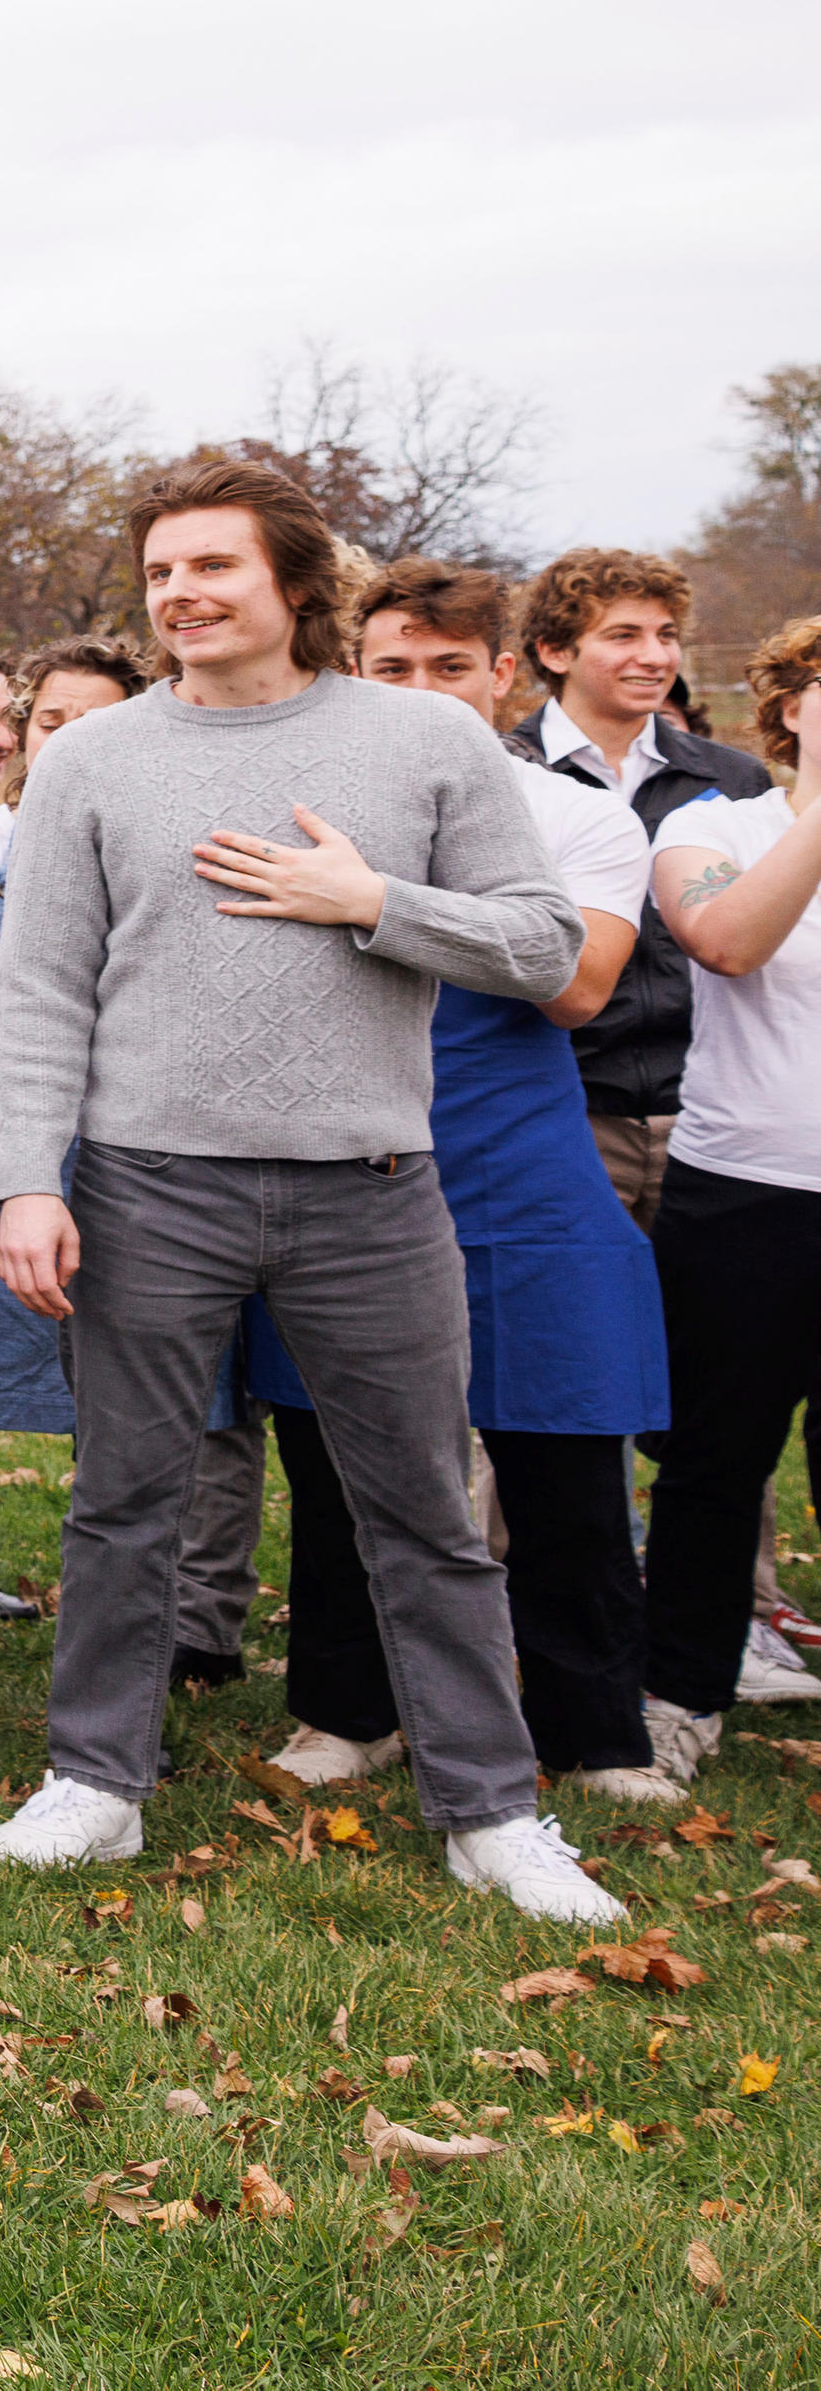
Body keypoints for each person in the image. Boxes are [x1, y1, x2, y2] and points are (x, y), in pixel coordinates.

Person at [0, 455, 622, 1923]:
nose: (182, 594)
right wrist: (30, 1180)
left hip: (373, 1192)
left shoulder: (426, 743)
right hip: (148, 1187)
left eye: (214, 566)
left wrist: (372, 903)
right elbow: (43, 991)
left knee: (423, 1514)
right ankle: (96, 1781)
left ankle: (491, 1810)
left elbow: (544, 946)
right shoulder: (91, 758)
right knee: (123, 1498)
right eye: (160, 572)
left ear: (293, 582)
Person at [240, 560, 681, 1806]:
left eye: (449, 666)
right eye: (393, 667)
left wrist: (370, 898)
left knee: (560, 1457)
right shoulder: (297, 805)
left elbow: (574, 982)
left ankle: (592, 1729)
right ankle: (345, 1708)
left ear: (501, 674)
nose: (422, 689)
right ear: (351, 670)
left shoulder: (576, 816)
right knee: (335, 1468)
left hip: (518, 1164)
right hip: (339, 1152)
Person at [0, 636, 270, 1681]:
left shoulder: (189, 844)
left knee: (171, 1428)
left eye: (97, 722)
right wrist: (62, 1030)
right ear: (21, 733)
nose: (68, 741)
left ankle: (177, 1644)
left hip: (159, 1165)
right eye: (50, 720)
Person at [636, 617, 821, 1776]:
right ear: (790, 705)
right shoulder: (711, 826)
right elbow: (727, 942)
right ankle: (679, 1696)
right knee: (714, 1457)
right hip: (746, 1188)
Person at [507, 547, 770, 1224]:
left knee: (714, 1325)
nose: (654, 656)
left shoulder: (735, 780)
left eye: (667, 635)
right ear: (555, 651)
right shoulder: (502, 780)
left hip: (714, 1110)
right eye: (623, 635)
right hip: (565, 1110)